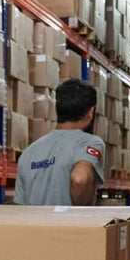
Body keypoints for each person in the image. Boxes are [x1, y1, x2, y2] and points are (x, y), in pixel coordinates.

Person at [15, 78, 105, 206]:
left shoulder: (29, 151)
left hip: (33, 225)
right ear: (90, 112)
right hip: (68, 225)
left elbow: (20, 205)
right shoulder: (89, 142)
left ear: (56, 109)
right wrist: (82, 217)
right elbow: (79, 179)